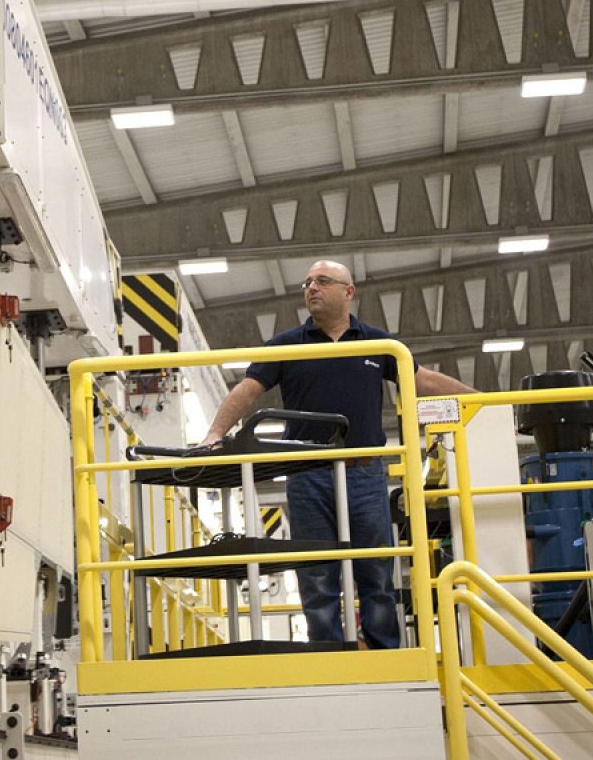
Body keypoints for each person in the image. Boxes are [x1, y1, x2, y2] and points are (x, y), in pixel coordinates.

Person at [203, 260, 473, 649]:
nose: (311, 288)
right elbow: (249, 388)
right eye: (307, 283)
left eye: (322, 281)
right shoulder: (285, 345)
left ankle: (384, 654)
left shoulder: (379, 344)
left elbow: (422, 378)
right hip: (306, 475)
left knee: (376, 572)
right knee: (316, 575)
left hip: (364, 473)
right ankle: (327, 655)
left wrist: (485, 403)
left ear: (348, 291)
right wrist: (215, 432)